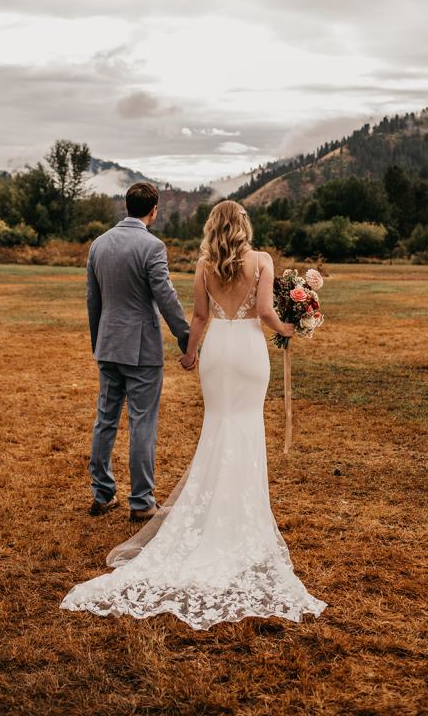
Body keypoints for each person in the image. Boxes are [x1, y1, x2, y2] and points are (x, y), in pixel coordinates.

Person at [61, 199, 327, 629]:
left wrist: (189, 354)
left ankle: (209, 512)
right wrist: (287, 328)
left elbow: (200, 317)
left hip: (218, 351)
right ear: (243, 225)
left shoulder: (204, 265)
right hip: (248, 351)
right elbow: (264, 313)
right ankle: (244, 514)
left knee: (218, 425)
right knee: (245, 426)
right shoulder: (262, 260)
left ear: (212, 228)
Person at [84, 181, 191, 520]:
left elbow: (93, 299)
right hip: (142, 349)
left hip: (108, 345)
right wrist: (185, 336)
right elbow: (165, 296)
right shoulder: (152, 246)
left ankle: (102, 494)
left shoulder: (98, 245)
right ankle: (142, 501)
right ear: (154, 210)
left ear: (125, 206)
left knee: (106, 420)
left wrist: (97, 340)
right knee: (142, 422)